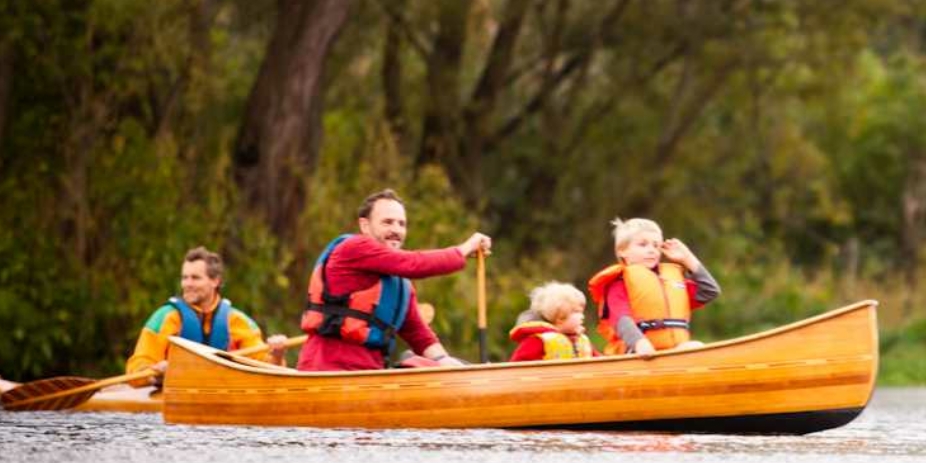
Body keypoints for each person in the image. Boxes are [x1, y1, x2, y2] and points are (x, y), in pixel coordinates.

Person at [297, 189, 492, 371]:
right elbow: (415, 264)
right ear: (365, 225)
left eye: (401, 224)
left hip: (370, 376)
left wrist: (446, 362)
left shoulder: (400, 285)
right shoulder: (354, 248)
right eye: (387, 222)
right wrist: (466, 248)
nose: (396, 230)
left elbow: (419, 334)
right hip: (328, 370)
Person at [126, 246, 288, 386]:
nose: (187, 284)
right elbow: (136, 368)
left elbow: (267, 371)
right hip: (170, 396)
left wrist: (277, 356)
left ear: (215, 281)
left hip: (222, 396)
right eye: (184, 278)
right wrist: (153, 374)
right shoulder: (164, 318)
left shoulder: (239, 322)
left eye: (195, 278)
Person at [587, 218, 720, 355]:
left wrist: (687, 258)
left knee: (695, 346)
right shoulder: (618, 284)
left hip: (673, 352)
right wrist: (640, 343)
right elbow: (621, 320)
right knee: (694, 347)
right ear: (622, 251)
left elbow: (709, 291)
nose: (652, 250)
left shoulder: (669, 280)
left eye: (656, 246)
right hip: (637, 353)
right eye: (643, 245)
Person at [508, 282, 598, 361]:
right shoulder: (539, 341)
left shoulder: (583, 341)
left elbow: (601, 363)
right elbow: (516, 368)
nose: (582, 316)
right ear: (560, 317)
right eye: (577, 312)